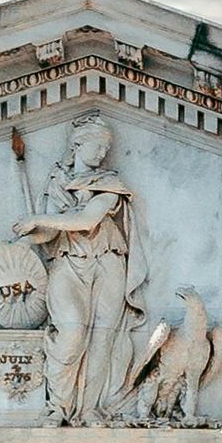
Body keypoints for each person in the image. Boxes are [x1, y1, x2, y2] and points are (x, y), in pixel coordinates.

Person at [14, 118, 147, 425]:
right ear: (77, 144)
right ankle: (59, 406)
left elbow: (87, 220)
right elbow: (48, 235)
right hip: (66, 261)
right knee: (72, 332)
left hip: (108, 261)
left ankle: (89, 408)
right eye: (97, 144)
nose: (102, 152)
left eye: (106, 146)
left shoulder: (111, 184)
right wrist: (27, 236)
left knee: (102, 338)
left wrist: (38, 217)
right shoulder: (56, 181)